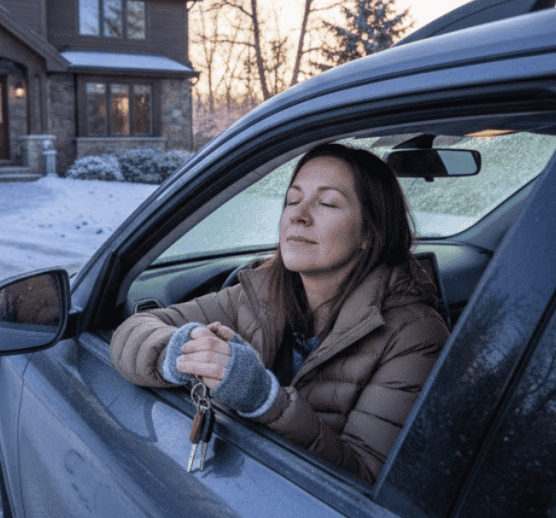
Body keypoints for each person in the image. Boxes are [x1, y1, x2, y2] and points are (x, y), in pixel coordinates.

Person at [110, 143, 450, 483]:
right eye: (292, 200)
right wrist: (182, 351)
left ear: (369, 234)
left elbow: (365, 482)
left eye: (328, 202)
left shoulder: (415, 336)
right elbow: (133, 331)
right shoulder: (257, 293)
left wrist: (262, 397)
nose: (298, 215)